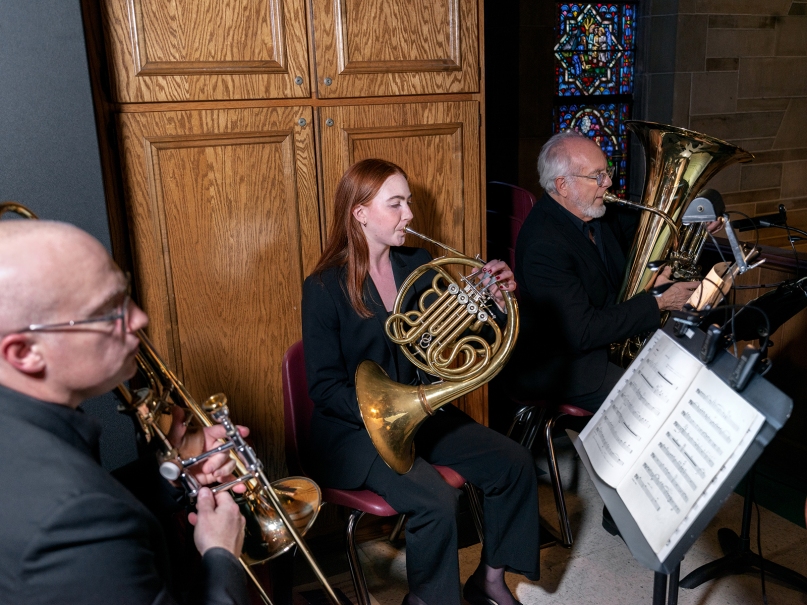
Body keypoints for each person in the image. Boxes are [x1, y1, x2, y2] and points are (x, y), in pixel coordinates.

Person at [302, 158, 540, 605]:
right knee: (435, 501)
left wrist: (488, 307)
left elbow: (435, 350)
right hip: (355, 433)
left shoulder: (418, 262)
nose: (409, 214)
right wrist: (384, 412)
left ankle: (488, 581)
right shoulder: (323, 288)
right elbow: (323, 387)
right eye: (396, 204)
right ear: (360, 213)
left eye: (407, 202)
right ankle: (427, 599)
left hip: (421, 414)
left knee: (513, 462)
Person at [0, 220, 249, 605]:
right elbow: (78, 513)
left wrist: (173, 472)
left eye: (126, 294)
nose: (139, 318)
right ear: (24, 353)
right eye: (107, 312)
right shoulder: (73, 522)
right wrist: (222, 556)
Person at [512, 130, 701, 412]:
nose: (608, 182)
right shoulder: (545, 244)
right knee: (661, 399)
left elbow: (650, 227)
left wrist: (696, 220)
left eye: (607, 171)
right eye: (597, 176)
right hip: (567, 365)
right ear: (563, 185)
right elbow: (582, 332)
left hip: (604, 343)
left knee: (693, 365)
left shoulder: (595, 210)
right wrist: (659, 301)